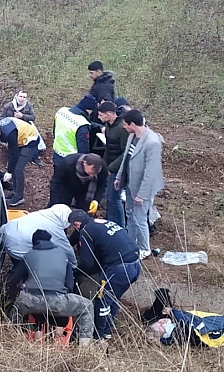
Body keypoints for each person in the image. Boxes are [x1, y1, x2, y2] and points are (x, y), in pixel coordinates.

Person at [7, 230, 95, 347]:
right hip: (58, 301)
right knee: (87, 306)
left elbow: (13, 282)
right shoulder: (63, 255)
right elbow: (69, 285)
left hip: (32, 301)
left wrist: (14, 297)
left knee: (16, 312)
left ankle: (12, 341)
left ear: (34, 243)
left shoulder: (28, 255)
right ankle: (84, 349)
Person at [68, 209, 141, 340]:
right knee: (113, 298)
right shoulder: (102, 223)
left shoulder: (86, 231)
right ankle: (107, 330)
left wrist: (76, 272)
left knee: (102, 301)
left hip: (119, 268)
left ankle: (98, 336)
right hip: (136, 264)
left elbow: (88, 263)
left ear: (77, 224)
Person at [115, 109, 164, 260]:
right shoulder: (132, 136)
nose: (124, 127)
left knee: (140, 218)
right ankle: (131, 242)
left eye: (125, 124)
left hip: (142, 188)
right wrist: (119, 177)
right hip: (130, 184)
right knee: (130, 213)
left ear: (133, 124)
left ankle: (144, 248)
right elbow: (126, 158)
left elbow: (151, 172)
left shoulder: (152, 142)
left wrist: (142, 194)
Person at [0, 117, 39, 206]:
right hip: (20, 139)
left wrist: (9, 172)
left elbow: (14, 153)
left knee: (18, 169)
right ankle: (15, 192)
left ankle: (19, 197)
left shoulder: (9, 134)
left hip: (30, 140)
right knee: (14, 167)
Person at [0, 204, 77, 269]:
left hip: (7, 232)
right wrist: (74, 265)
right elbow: (67, 249)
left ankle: (16, 269)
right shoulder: (54, 227)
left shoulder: (42, 214)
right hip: (18, 246)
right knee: (26, 267)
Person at [97, 101, 130, 227]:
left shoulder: (122, 129)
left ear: (109, 114)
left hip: (119, 169)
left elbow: (125, 153)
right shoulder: (109, 126)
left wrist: (111, 168)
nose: (99, 118)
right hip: (110, 166)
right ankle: (112, 222)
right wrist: (104, 165)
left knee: (114, 199)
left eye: (101, 115)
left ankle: (119, 226)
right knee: (110, 198)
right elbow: (108, 148)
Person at [151, 308, 224, 348]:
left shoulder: (177, 324)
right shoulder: (180, 333)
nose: (162, 322)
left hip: (223, 323)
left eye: (159, 321)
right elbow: (191, 324)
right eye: (160, 326)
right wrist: (173, 312)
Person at [0, 90, 45, 167]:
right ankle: (11, 161)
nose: (22, 99)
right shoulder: (8, 106)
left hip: (26, 127)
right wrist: (11, 119)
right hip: (12, 128)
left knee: (34, 138)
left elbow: (33, 117)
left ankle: (35, 158)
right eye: (20, 96)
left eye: (24, 97)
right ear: (17, 96)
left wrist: (22, 116)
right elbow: (1, 118)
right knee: (12, 143)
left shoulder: (28, 105)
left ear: (26, 99)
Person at [52, 94, 97, 169]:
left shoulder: (62, 111)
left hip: (57, 155)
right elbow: (83, 150)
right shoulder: (82, 125)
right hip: (72, 161)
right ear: (88, 110)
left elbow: (54, 130)